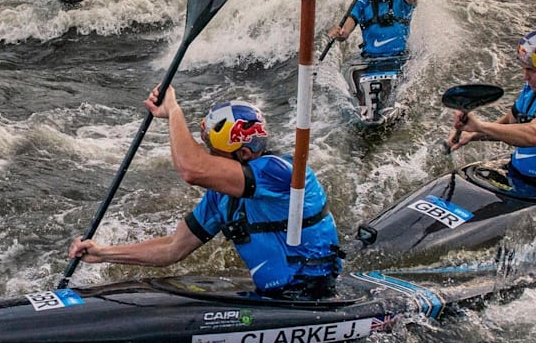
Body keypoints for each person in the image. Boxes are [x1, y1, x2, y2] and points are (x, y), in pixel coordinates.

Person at [68, 89, 341, 299]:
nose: (210, 157)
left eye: (214, 151)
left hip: (314, 294)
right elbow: (173, 248)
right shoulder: (221, 198)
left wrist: (173, 111)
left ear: (243, 153)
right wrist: (104, 253)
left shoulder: (283, 172)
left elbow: (191, 169)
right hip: (271, 298)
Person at [446, 29, 536, 196]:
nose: (525, 76)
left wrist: (480, 125)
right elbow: (511, 124)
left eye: (532, 70)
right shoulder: (534, 87)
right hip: (516, 175)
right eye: (524, 69)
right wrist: (472, 134)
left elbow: (533, 135)